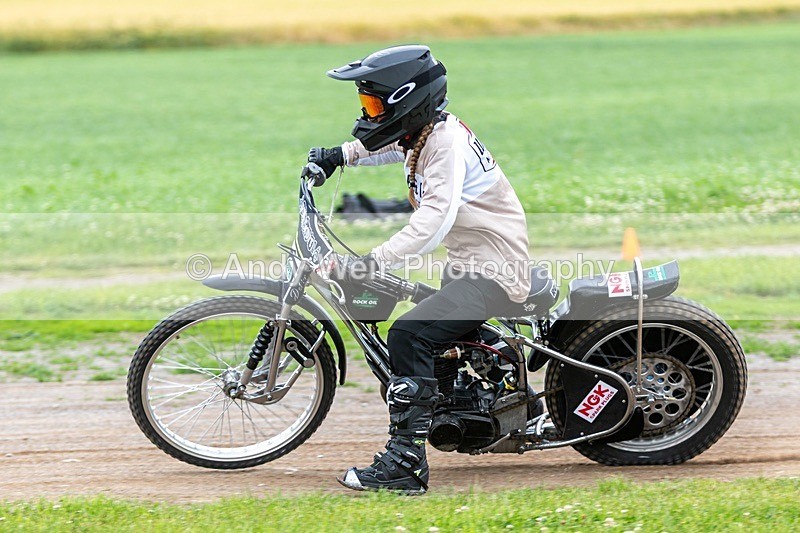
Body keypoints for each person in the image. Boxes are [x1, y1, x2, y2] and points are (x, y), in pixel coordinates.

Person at [305, 45, 531, 494]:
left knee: (408, 333)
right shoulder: (429, 132)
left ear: (406, 100)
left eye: (373, 104)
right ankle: (460, 403)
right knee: (426, 321)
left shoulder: (444, 144)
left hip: (493, 273)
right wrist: (340, 155)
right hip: (472, 266)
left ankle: (406, 465)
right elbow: (393, 146)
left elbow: (434, 220)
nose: (367, 113)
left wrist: (373, 262)